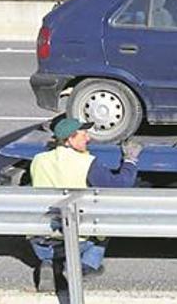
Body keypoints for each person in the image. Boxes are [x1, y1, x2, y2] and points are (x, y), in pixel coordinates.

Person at [29, 118, 143, 291]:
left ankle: (49, 263)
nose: (88, 139)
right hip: (75, 240)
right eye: (83, 135)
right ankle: (84, 267)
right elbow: (120, 185)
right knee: (102, 227)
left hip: (41, 240)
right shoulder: (86, 163)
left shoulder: (38, 160)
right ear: (69, 140)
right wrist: (130, 161)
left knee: (56, 231)